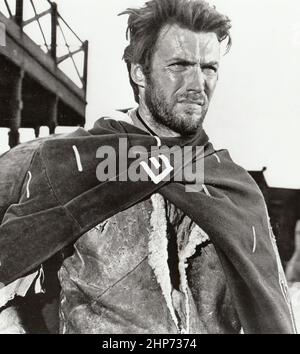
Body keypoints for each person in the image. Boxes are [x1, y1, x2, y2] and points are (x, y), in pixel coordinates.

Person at [0, 0, 297, 334]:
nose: (198, 85)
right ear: (139, 71)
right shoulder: (75, 162)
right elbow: (8, 277)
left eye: (209, 68)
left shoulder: (231, 186)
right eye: (180, 65)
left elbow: (271, 311)